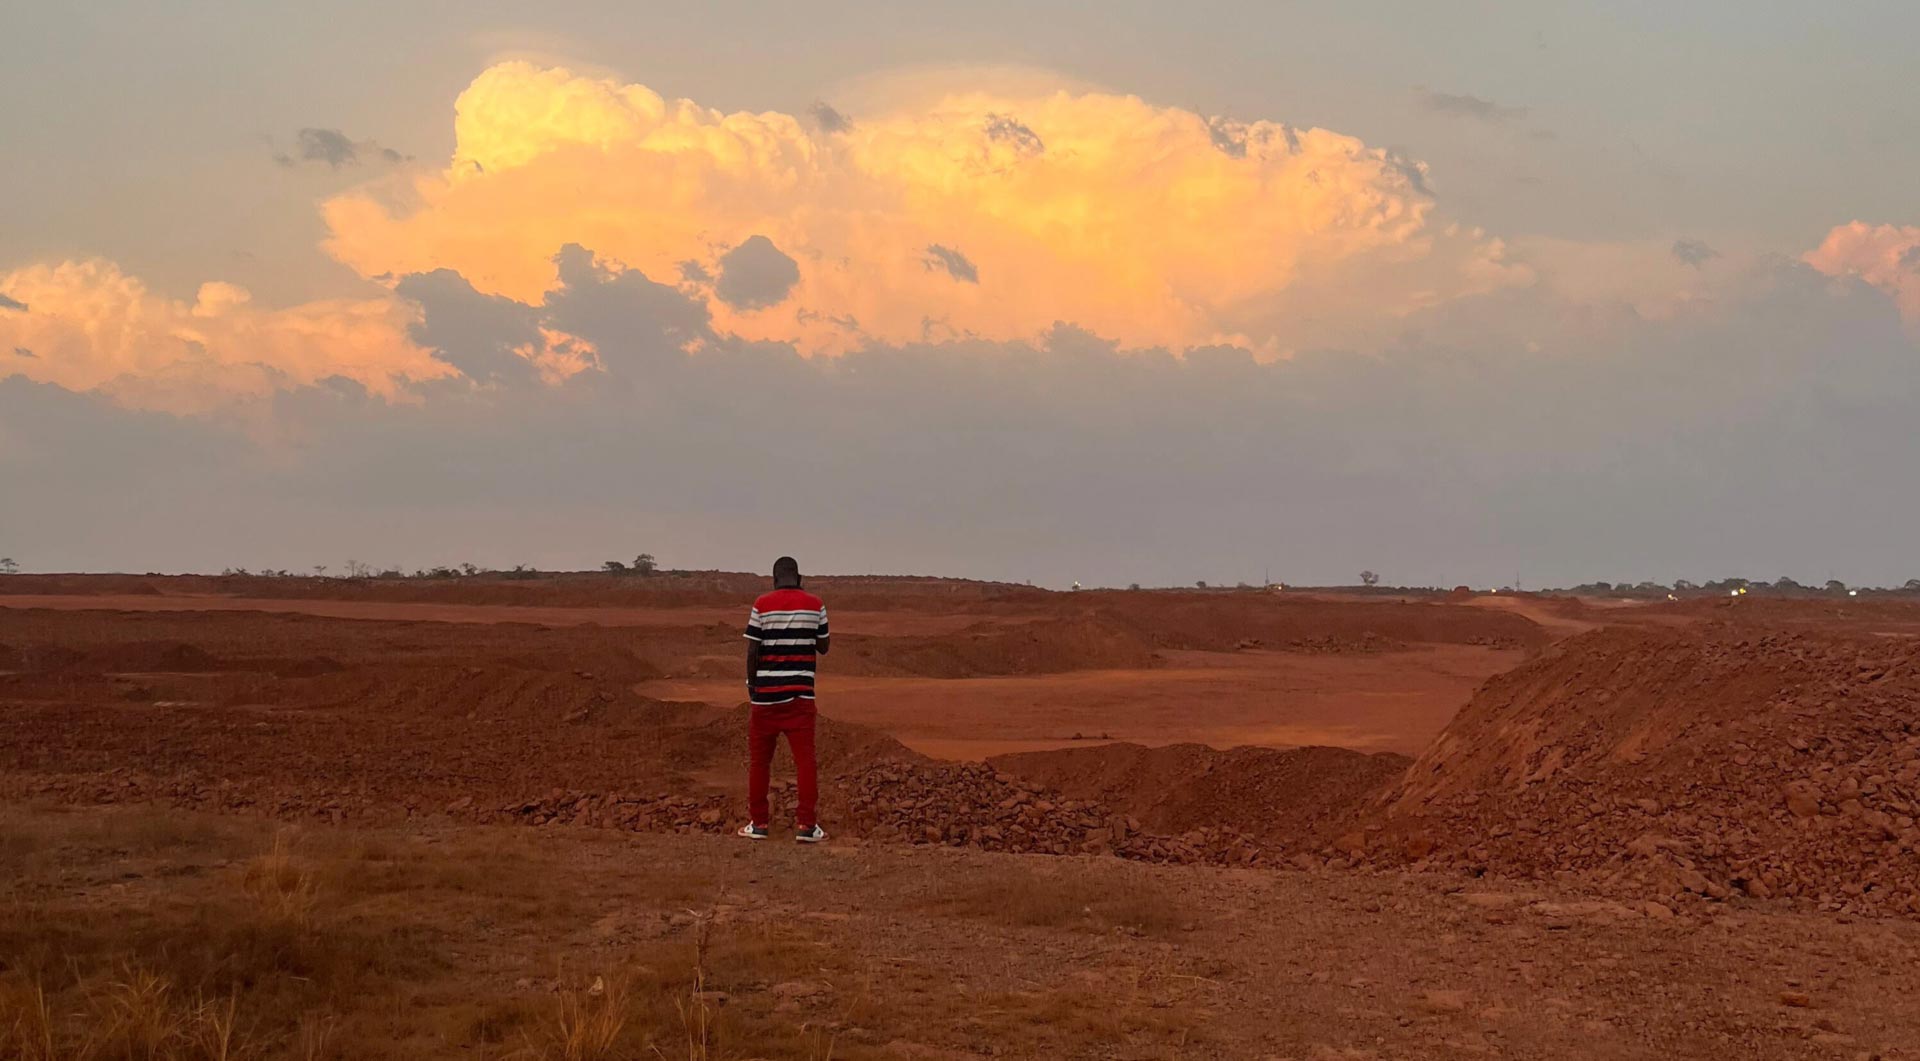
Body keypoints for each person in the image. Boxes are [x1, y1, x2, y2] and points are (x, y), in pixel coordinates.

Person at [738, 556, 830, 842]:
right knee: (805, 762)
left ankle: (759, 824)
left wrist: (752, 685)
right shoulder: (816, 604)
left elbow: (753, 650)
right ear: (800, 578)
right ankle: (806, 826)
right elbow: (824, 646)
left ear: (774, 579)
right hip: (800, 697)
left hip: (765, 698)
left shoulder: (761, 604)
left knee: (759, 763)